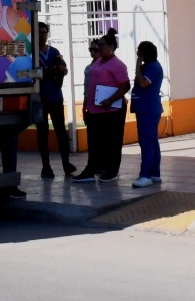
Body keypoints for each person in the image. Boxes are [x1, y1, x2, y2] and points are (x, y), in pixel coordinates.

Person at [73, 30, 130, 183]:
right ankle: (90, 170)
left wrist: (111, 100)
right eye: (98, 44)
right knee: (94, 141)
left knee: (112, 141)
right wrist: (86, 104)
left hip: (112, 110)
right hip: (95, 109)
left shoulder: (117, 65)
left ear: (111, 47)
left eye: (102, 44)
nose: (99, 47)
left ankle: (111, 171)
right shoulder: (97, 62)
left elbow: (125, 85)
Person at [33, 21, 76, 179]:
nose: (42, 36)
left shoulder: (54, 51)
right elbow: (30, 72)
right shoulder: (31, 53)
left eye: (44, 32)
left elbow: (64, 69)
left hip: (56, 97)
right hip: (39, 99)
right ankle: (46, 166)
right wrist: (48, 70)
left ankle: (66, 163)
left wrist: (62, 69)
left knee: (61, 132)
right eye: (39, 32)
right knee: (42, 133)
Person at [131, 40, 165, 187]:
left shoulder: (152, 67)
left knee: (146, 142)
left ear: (144, 53)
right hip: (145, 108)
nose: (137, 53)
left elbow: (143, 83)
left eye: (139, 51)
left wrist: (138, 64)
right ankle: (154, 173)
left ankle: (145, 175)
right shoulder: (149, 66)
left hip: (148, 109)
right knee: (152, 141)